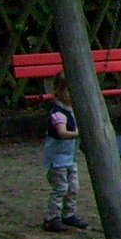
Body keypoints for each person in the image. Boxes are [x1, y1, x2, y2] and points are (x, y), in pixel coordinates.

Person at [40, 77, 89, 231]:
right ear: (59, 92)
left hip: (70, 158)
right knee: (61, 188)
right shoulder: (58, 114)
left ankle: (69, 214)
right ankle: (52, 218)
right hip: (57, 159)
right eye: (69, 91)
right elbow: (62, 133)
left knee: (73, 187)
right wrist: (80, 133)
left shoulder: (72, 111)